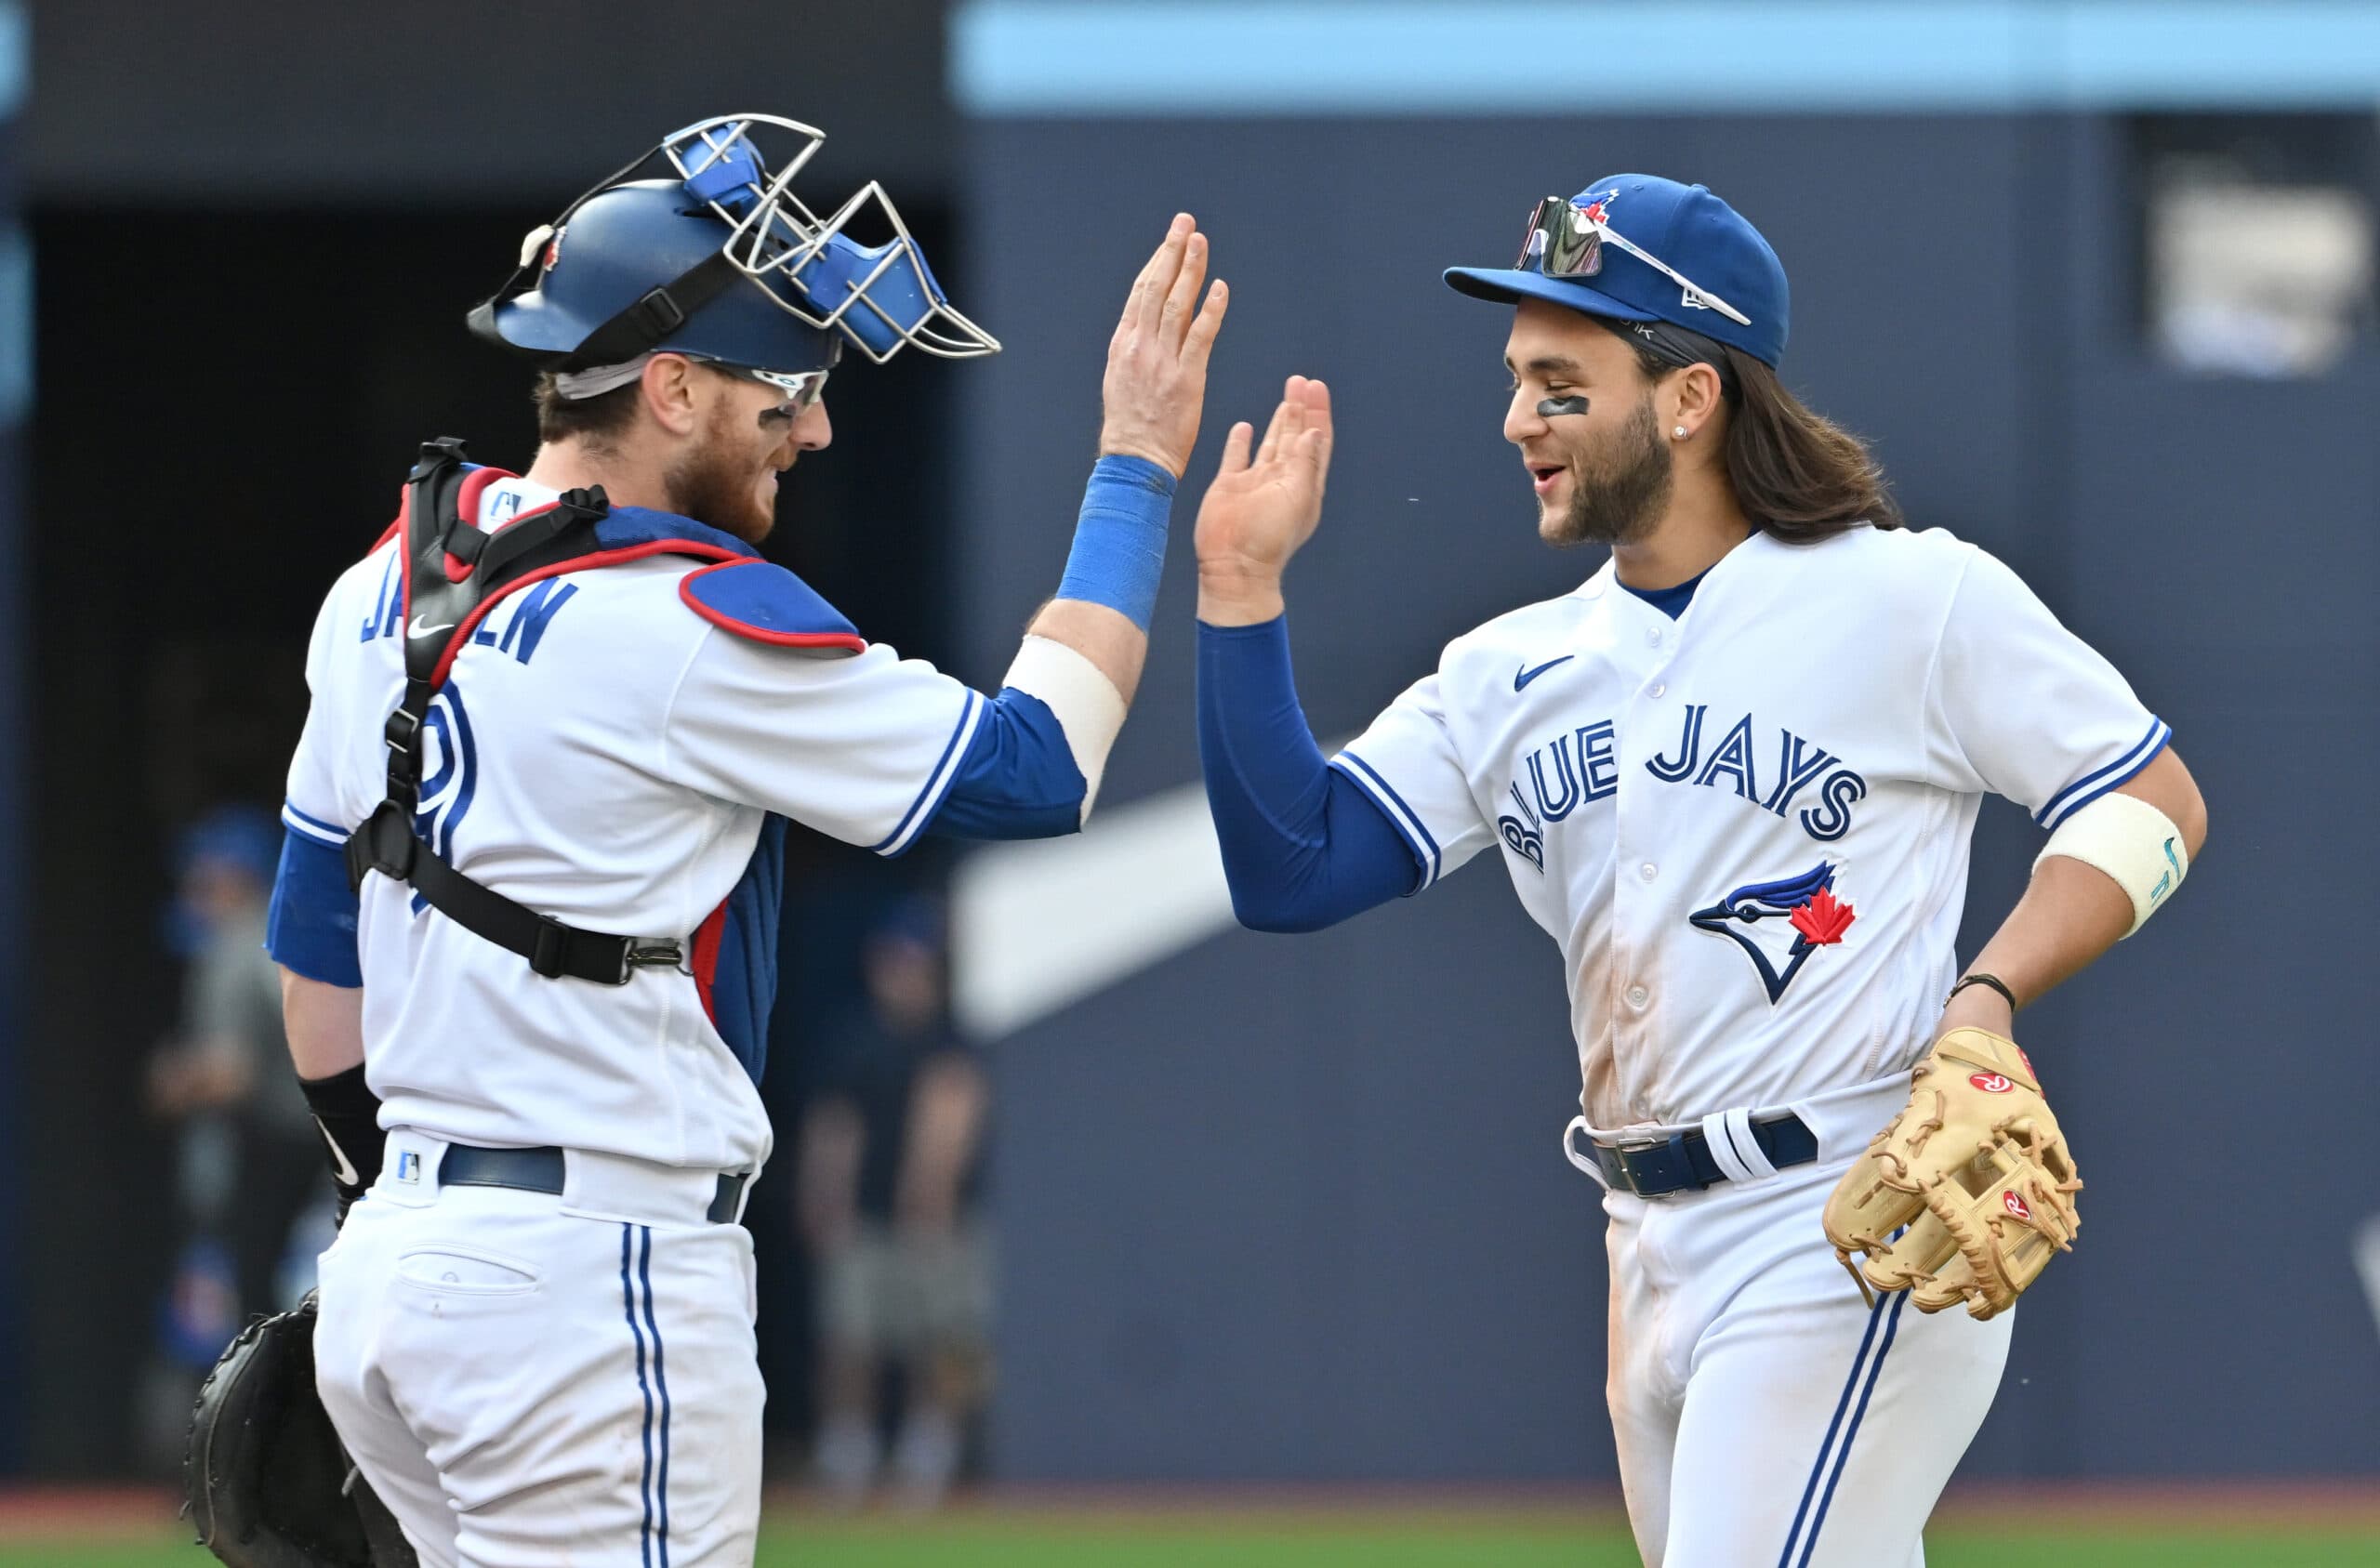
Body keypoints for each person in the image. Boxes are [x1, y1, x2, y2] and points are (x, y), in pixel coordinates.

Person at [1190, 174, 2207, 1566]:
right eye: (1517, 381)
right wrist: (1241, 596)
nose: (1517, 422)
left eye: (1561, 382)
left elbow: (2151, 798)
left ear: (1687, 397)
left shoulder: (1907, 598)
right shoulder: (1511, 671)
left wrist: (1988, 996)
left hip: (1847, 1213)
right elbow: (1292, 866)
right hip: (1643, 1244)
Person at [262, 112, 1225, 1566]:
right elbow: (1036, 767)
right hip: (590, 1281)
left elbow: (313, 950)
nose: (818, 424)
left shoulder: (378, 584)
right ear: (668, 386)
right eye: (788, 386)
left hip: (397, 1266)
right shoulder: (683, 622)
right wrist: (1138, 463)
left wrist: (403, 1220)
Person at [796, 900, 988, 1510]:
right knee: (849, 1339)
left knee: (946, 1340)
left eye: (915, 962)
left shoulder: (950, 1035)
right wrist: (824, 1196)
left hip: (939, 1221)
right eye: (894, 961)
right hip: (867, 1216)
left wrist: (929, 1197)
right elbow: (833, 1125)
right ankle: (847, 1455)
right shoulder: (853, 1037)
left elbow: (950, 1116)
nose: (903, 974)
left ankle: (928, 1455)